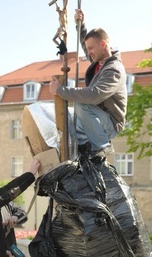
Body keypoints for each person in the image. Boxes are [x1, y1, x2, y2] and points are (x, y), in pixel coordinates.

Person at [49, 9, 127, 156]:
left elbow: (94, 95)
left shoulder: (114, 70)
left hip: (110, 124)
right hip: (97, 117)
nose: (89, 52)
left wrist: (60, 90)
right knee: (70, 122)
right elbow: (87, 45)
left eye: (92, 48)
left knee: (81, 103)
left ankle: (102, 147)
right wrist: (80, 25)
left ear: (103, 44)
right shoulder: (100, 61)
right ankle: (77, 149)